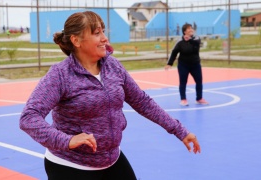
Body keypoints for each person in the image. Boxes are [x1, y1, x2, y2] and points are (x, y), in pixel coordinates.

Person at [19, 11, 201, 180]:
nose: (104, 38)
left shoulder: (113, 66)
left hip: (111, 159)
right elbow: (29, 117)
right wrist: (67, 140)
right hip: (69, 165)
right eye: (97, 33)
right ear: (76, 40)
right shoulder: (60, 75)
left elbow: (142, 101)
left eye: (103, 31)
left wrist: (179, 130)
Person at [165, 23, 208, 106]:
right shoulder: (180, 41)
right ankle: (183, 99)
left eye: (191, 28)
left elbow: (197, 44)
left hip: (195, 64)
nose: (191, 29)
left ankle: (199, 98)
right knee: (183, 82)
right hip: (183, 65)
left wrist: (189, 40)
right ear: (184, 31)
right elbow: (174, 52)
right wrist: (169, 63)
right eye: (189, 28)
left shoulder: (196, 38)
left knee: (199, 81)